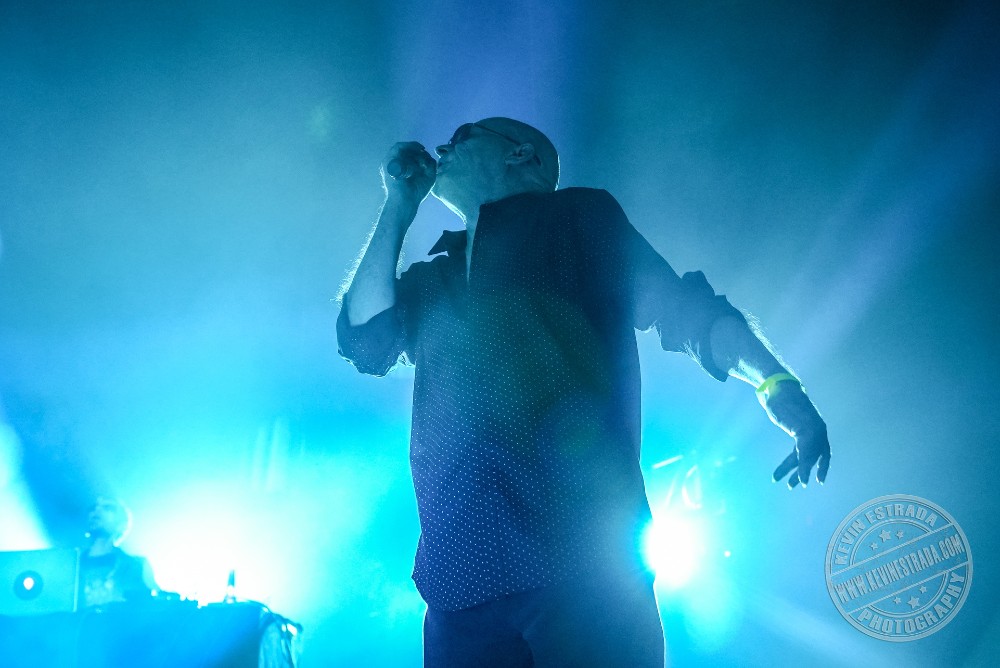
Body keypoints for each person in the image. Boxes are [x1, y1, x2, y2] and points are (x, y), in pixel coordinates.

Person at [336, 118, 830, 666]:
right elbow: (365, 340)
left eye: (466, 134)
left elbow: (683, 309)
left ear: (520, 154)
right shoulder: (435, 278)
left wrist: (775, 381)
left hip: (583, 563)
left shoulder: (579, 216)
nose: (444, 145)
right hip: (461, 579)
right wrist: (399, 204)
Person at [79, 496, 158, 608]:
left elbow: (150, 606)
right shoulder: (70, 564)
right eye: (93, 508)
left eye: (108, 508)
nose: (97, 510)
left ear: (122, 524)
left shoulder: (136, 565)